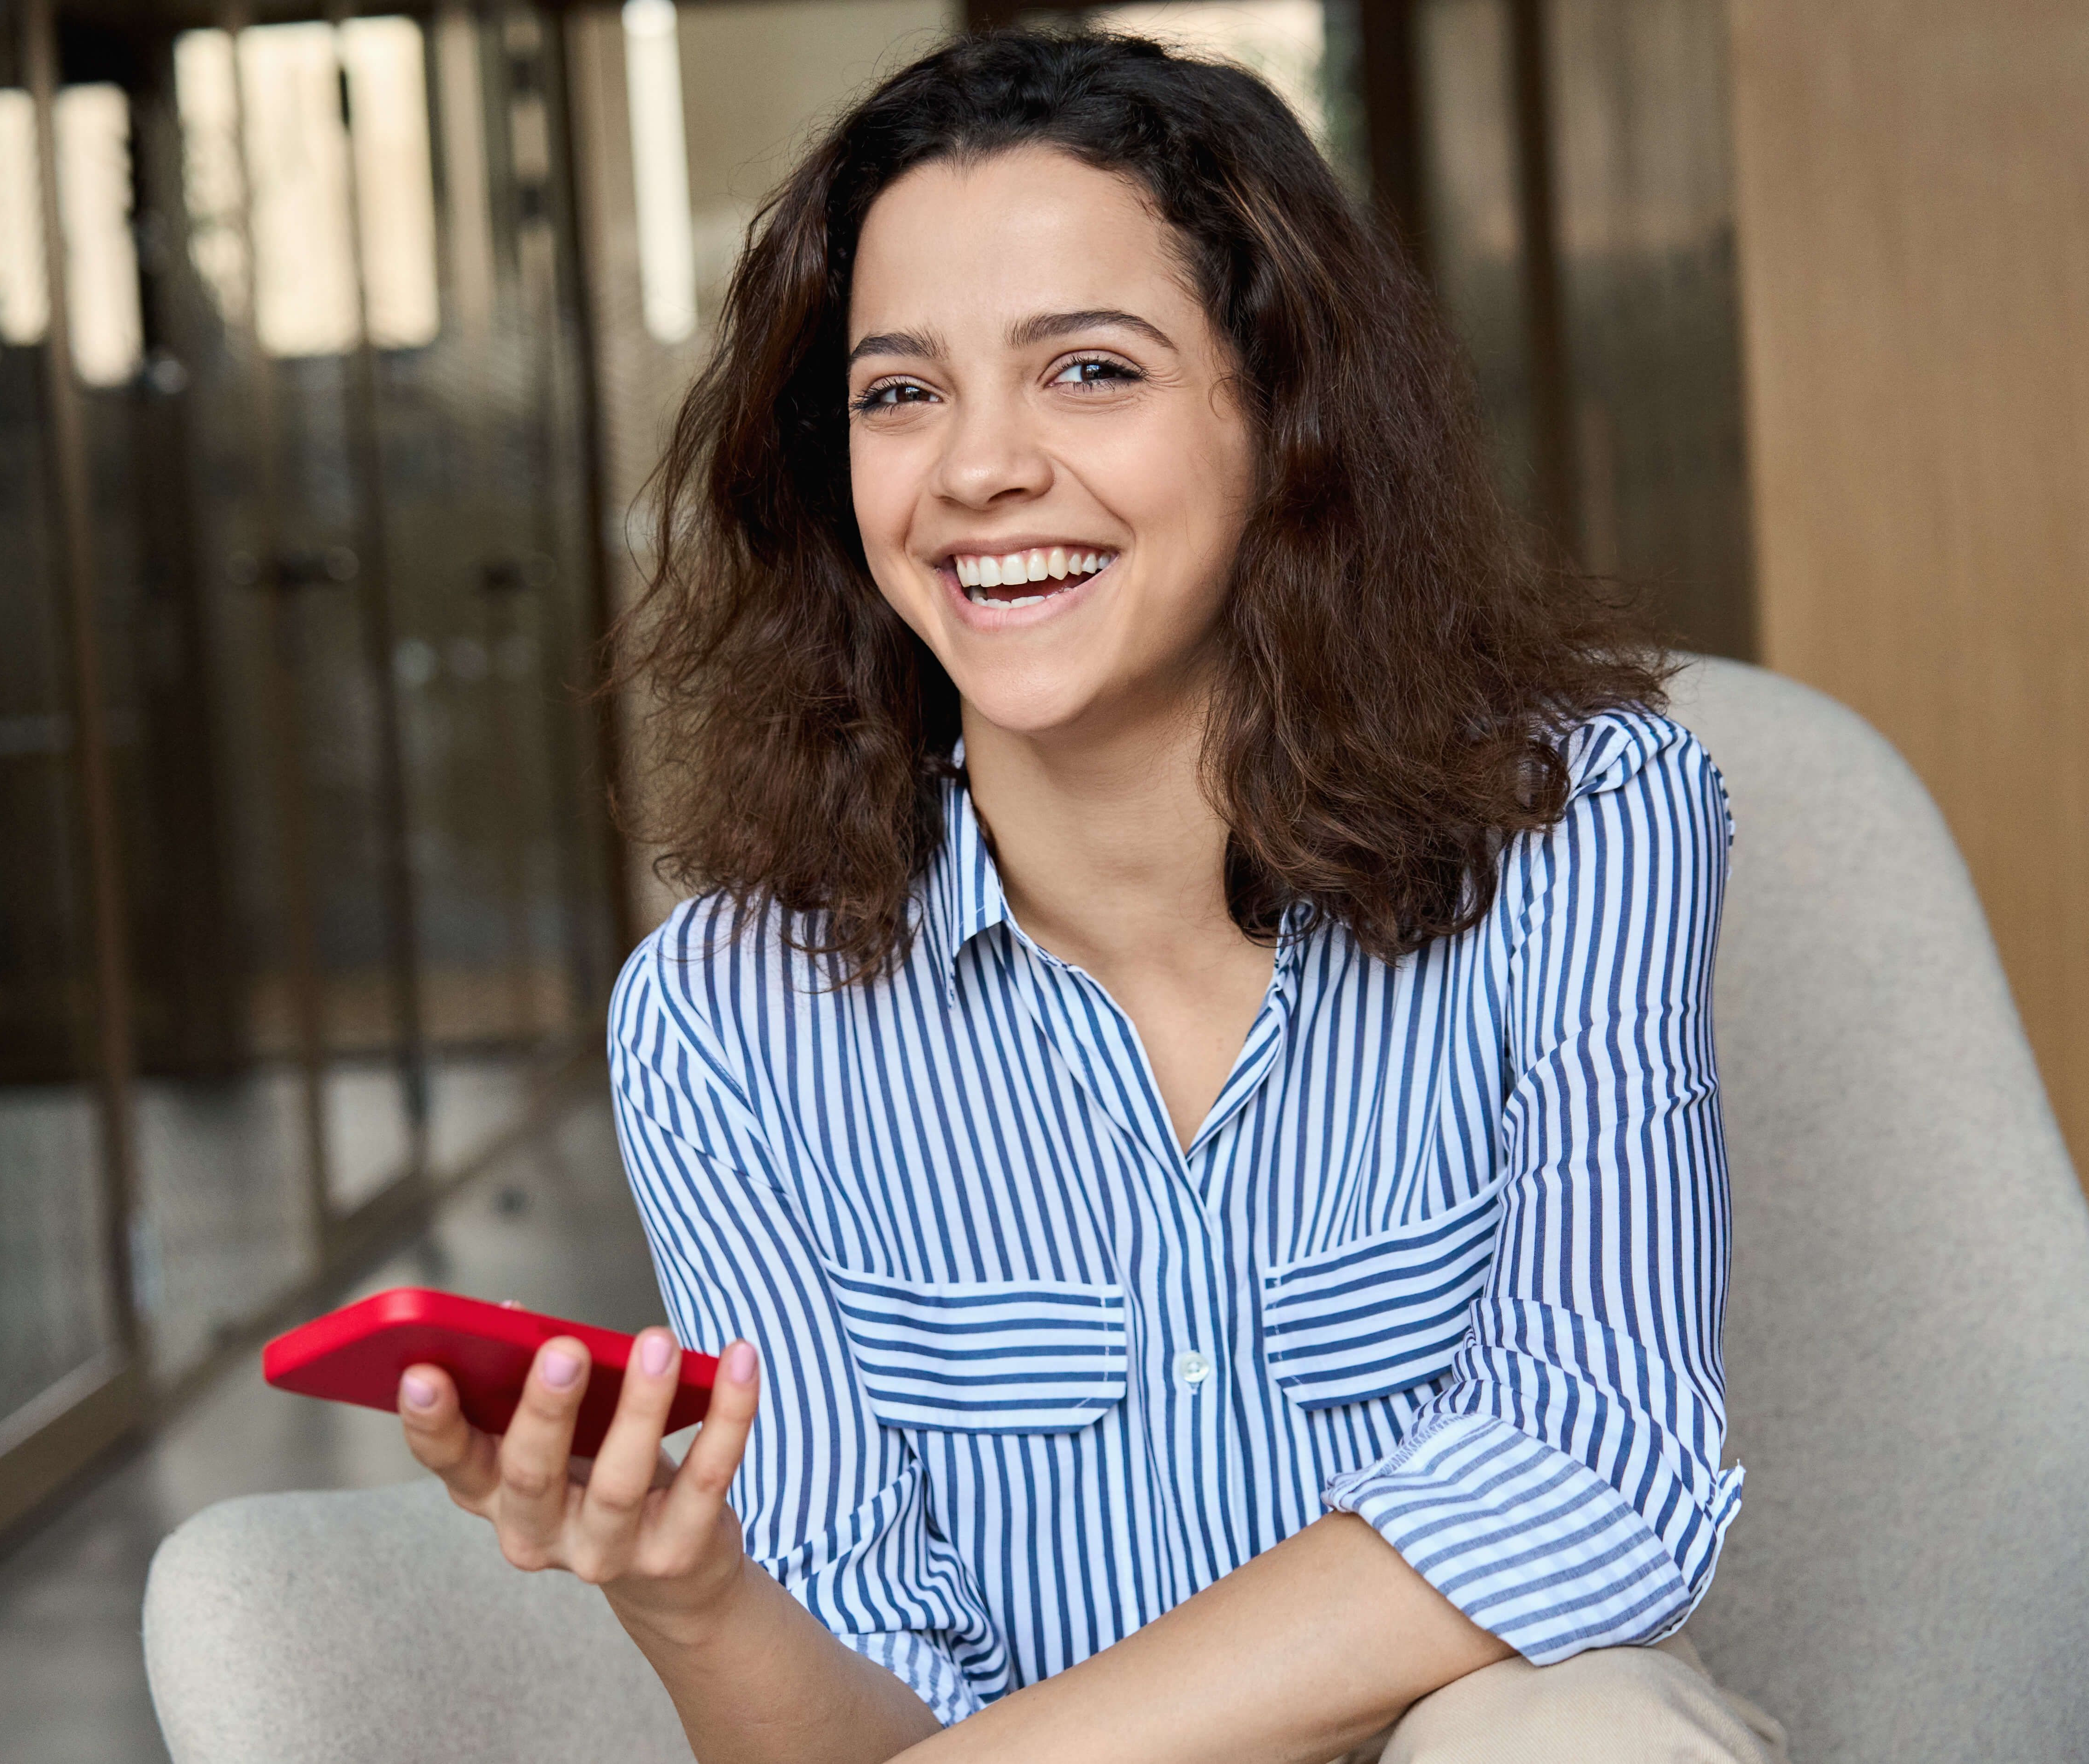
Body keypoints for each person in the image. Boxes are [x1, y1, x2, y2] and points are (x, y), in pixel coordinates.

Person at [398, 30, 1782, 1763]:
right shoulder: (727, 1017)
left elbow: (1601, 1468)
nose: (978, 468)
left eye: (1089, 371)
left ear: (1286, 415)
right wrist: (691, 1600)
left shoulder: (1579, 826)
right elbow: (856, 1716)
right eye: (900, 393)